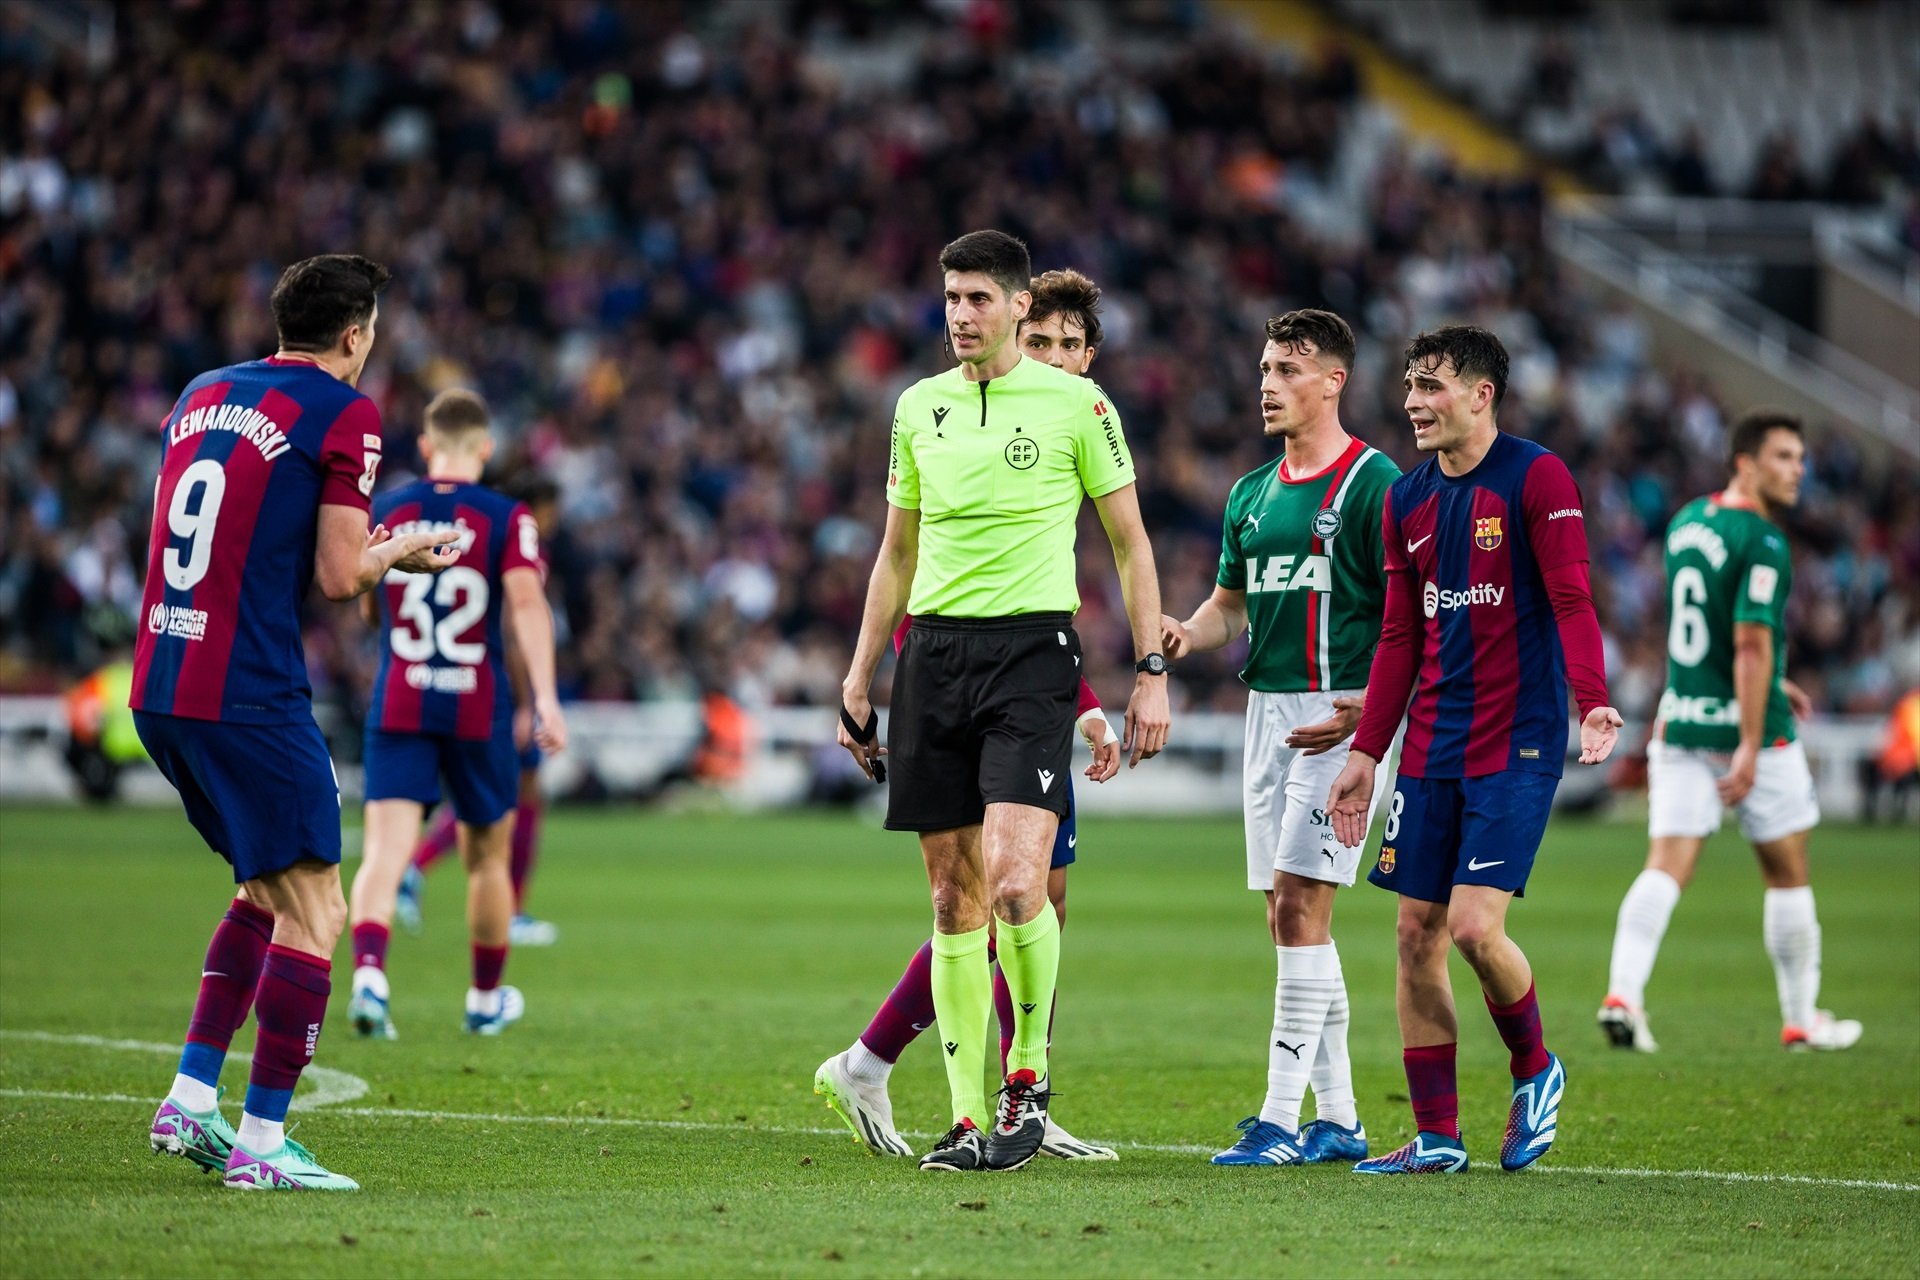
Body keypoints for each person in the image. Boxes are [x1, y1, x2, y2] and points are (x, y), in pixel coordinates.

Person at [836, 231, 1170, 1172]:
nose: (959, 314)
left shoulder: (1079, 405)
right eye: (950, 297)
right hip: (932, 657)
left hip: (1032, 654)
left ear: (1021, 306)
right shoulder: (917, 407)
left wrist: (1149, 667)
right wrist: (861, 675)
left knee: (1022, 882)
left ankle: (1028, 1075)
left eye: (978, 297)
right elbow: (896, 553)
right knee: (953, 902)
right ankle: (968, 1115)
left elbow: (1132, 544)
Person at [138, 254, 455, 1191]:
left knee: (263, 893)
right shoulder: (343, 411)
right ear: (355, 335)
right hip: (247, 690)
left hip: (161, 678)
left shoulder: (203, 391)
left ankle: (192, 1103)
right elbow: (337, 574)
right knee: (320, 906)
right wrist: (399, 550)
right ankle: (265, 1144)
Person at [1325, 325, 1623, 1176]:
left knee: (1471, 927)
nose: (1414, 403)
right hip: (1428, 746)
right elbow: (1398, 639)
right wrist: (1367, 755)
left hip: (1516, 743)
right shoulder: (1406, 500)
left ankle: (1536, 1069)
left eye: (1432, 387)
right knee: (1413, 931)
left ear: (1481, 394)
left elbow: (1571, 599)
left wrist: (1593, 704)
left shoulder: (1538, 477)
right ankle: (1438, 1136)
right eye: (1411, 387)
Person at [1161, 310, 1397, 1168]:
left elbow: (1412, 619)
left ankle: (1278, 1121)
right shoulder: (1250, 494)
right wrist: (1187, 632)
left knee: (1301, 908)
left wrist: (1374, 709)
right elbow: (1232, 607)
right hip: (1267, 712)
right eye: (1264, 366)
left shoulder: (1374, 486)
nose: (1268, 382)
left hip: (1341, 715)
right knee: (1285, 916)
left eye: (1290, 369)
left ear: (1334, 380)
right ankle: (1339, 1119)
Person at [1600, 411, 1860, 1053]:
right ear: (1745, 463)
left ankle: (1623, 995)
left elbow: (1705, 630)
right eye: (1783, 457)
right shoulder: (1764, 540)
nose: (1798, 469)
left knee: (1666, 865)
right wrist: (1750, 734)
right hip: (1751, 731)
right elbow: (1746, 642)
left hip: (1682, 715)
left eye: (1800, 457)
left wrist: (1771, 680)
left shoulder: (1689, 521)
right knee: (1786, 870)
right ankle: (1801, 1017)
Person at [345, 389, 567, 1040]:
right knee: (487, 859)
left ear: (424, 445)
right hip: (477, 701)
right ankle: (483, 999)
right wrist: (546, 698)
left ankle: (368, 976)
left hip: (401, 694)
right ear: (486, 448)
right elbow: (527, 605)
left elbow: (366, 604)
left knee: (385, 850)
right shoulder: (506, 515)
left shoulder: (385, 507)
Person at [397, 474, 564, 948]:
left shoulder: (482, 536)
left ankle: (418, 867)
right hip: (505, 689)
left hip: (457, 678)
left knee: (497, 795)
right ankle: (507, 909)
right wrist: (529, 701)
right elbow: (515, 626)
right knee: (507, 798)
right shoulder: (523, 545)